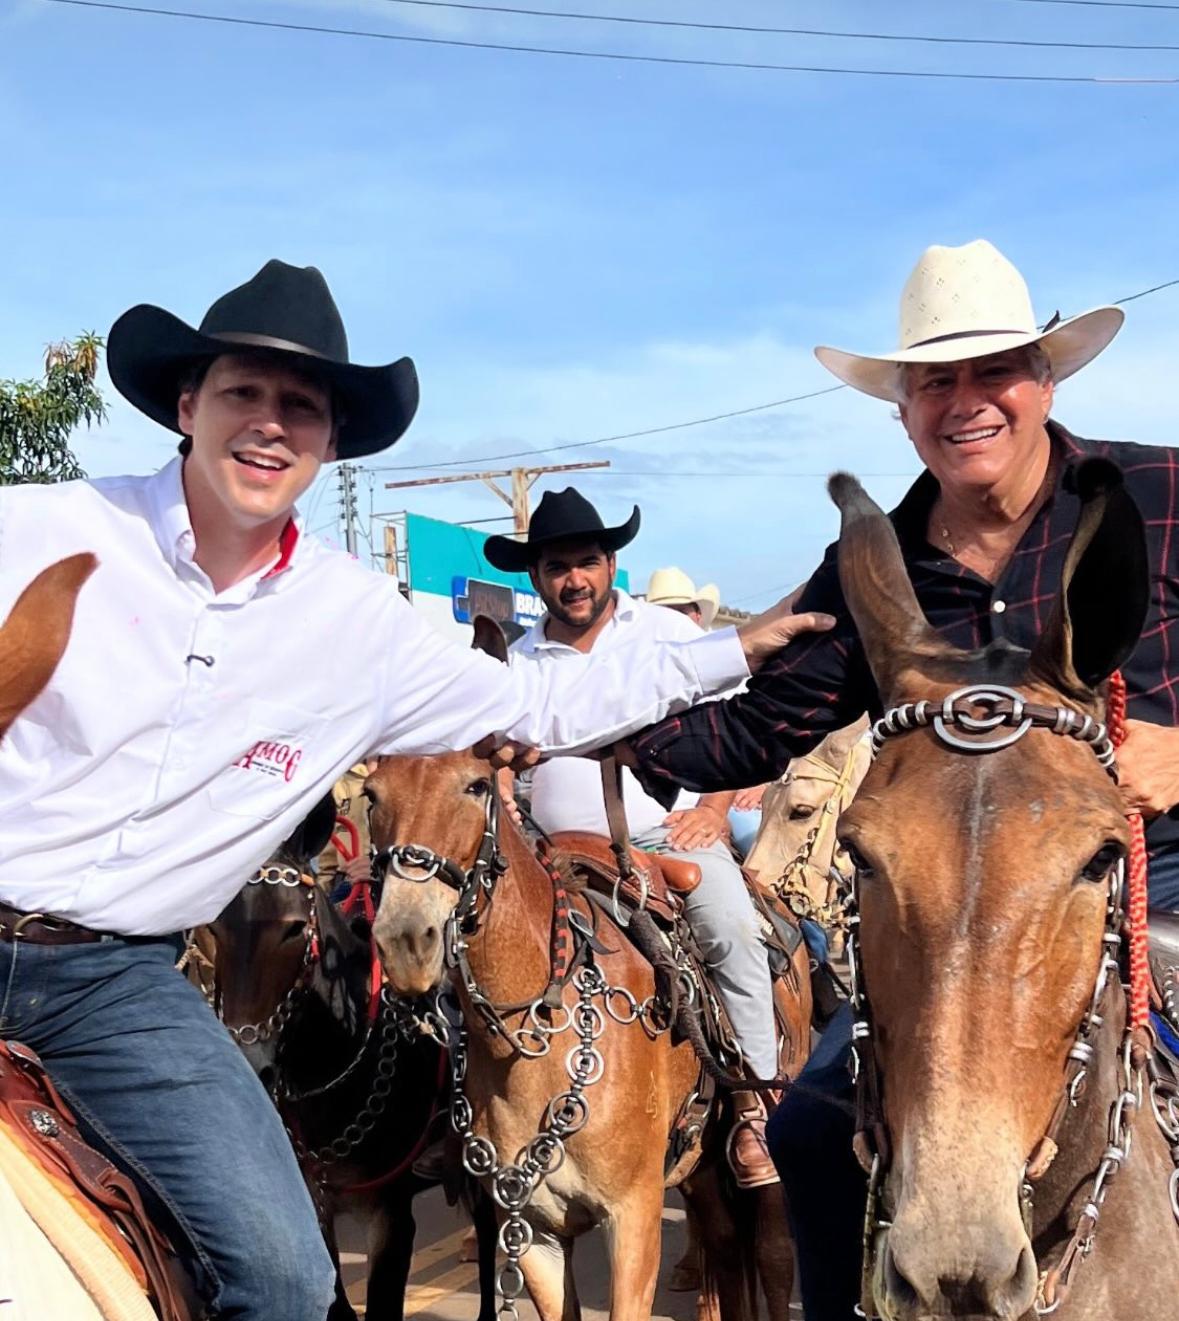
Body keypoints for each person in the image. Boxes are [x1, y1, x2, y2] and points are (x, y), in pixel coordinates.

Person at [0, 260, 831, 1320]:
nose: (269, 424)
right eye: (243, 393)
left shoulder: (361, 623)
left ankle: (750, 1089)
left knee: (288, 1275)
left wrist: (738, 648)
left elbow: (538, 707)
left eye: (299, 406)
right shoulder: (41, 527)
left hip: (111, 983)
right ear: (186, 404)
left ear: (330, 440)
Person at [616, 238, 1179, 1319]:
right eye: (936, 381)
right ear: (904, 409)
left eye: (992, 370)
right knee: (810, 1130)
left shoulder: (1159, 493)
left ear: (1045, 379)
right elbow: (757, 732)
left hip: (1163, 902)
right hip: (939, 932)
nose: (965, 401)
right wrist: (584, 733)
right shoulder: (872, 576)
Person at [486, 491, 782, 1188]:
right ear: (535, 576)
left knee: (732, 928)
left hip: (662, 837)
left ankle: (754, 1104)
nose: (573, 578)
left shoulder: (668, 637)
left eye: (586, 561)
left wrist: (711, 810)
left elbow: (740, 727)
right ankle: (482, 1118)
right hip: (550, 851)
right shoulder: (518, 661)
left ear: (611, 563)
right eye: (557, 565)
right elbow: (495, 761)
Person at [645, 566, 768, 856]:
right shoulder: (643, 674)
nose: (670, 619)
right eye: (663, 611)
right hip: (663, 812)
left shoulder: (728, 670)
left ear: (697, 615)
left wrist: (760, 784)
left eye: (679, 611)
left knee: (759, 849)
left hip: (730, 797)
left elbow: (758, 737)